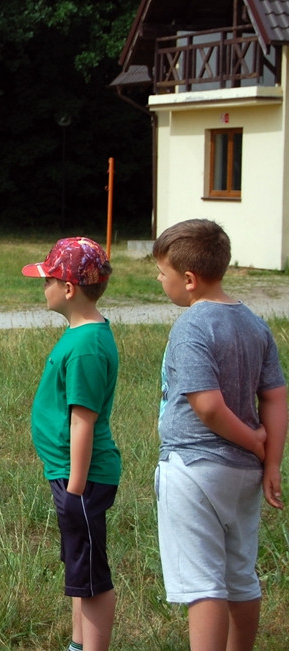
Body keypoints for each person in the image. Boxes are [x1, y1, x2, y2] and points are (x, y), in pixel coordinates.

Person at [152, 219, 286, 650]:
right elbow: (277, 398)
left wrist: (253, 440)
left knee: (203, 584)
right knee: (240, 576)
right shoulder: (253, 323)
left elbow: (206, 405)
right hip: (243, 475)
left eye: (162, 274)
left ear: (188, 280)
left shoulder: (193, 325)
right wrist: (270, 461)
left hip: (193, 470)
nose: (160, 280)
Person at [23, 237, 121, 651]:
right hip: (69, 476)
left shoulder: (84, 348)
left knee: (93, 578)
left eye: (47, 279)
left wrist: (76, 488)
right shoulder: (82, 334)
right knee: (79, 568)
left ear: (68, 289)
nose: (41, 286)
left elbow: (84, 420)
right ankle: (78, 646)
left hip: (79, 479)